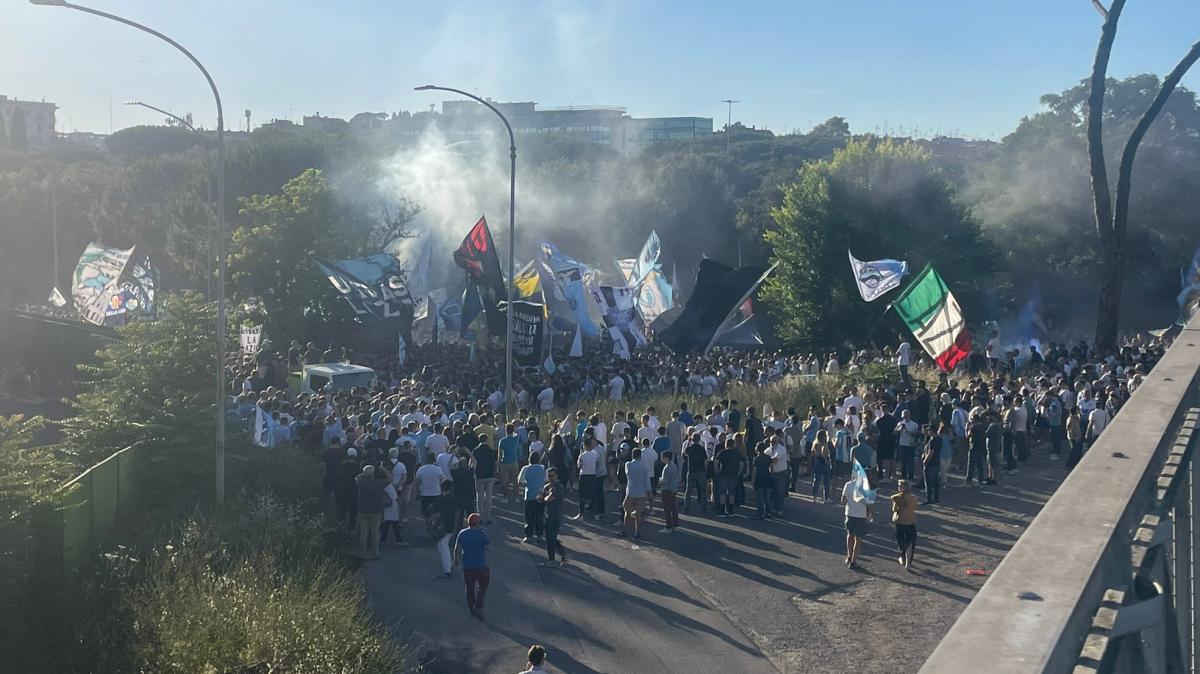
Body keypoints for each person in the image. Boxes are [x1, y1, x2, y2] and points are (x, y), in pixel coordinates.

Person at [454, 513, 491, 620]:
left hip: (468, 566)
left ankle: (471, 608)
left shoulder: (462, 533)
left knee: (469, 588)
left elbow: (457, 548)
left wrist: (456, 559)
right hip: (480, 566)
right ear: (478, 523)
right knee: (483, 586)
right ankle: (479, 606)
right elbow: (489, 548)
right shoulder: (482, 533)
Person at [355, 464, 389, 560]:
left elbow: (356, 478)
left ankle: (362, 554)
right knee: (375, 533)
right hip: (376, 511)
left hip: (363, 510)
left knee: (363, 533)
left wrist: (364, 473)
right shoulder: (379, 483)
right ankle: (375, 553)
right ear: (373, 474)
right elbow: (390, 480)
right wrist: (384, 470)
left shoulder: (361, 483)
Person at [842, 472, 872, 569]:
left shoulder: (848, 484)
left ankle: (849, 556)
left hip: (850, 514)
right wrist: (870, 514)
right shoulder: (866, 488)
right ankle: (854, 561)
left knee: (850, 535)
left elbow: (843, 500)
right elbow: (869, 503)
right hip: (861, 516)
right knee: (858, 539)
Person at [538, 468, 568, 566]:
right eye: (549, 476)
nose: (550, 478)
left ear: (556, 476)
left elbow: (549, 498)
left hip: (556, 516)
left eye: (552, 475)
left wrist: (545, 497)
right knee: (550, 538)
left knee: (551, 538)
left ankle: (552, 559)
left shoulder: (558, 487)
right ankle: (562, 556)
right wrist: (543, 497)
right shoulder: (547, 486)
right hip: (547, 515)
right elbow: (539, 498)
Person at [621, 447, 651, 538]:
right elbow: (647, 482)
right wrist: (649, 493)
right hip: (641, 493)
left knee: (627, 512)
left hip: (630, 492)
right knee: (639, 514)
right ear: (640, 456)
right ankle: (637, 532)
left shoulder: (628, 465)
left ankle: (625, 530)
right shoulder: (644, 467)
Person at [518, 452, 547, 543]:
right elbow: (546, 481)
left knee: (529, 517)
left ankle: (529, 535)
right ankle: (540, 535)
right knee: (539, 516)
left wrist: (526, 485)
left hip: (529, 495)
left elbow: (520, 482)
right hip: (540, 495)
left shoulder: (526, 468)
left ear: (529, 459)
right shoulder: (543, 468)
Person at [891, 479, 918, 572]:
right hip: (910, 521)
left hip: (900, 522)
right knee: (910, 543)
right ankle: (908, 564)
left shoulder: (897, 498)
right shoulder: (913, 497)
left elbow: (894, 509)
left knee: (901, 542)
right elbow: (914, 508)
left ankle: (902, 557)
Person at [415, 453, 444, 536]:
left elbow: (417, 482)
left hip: (424, 493)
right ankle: (434, 528)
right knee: (435, 513)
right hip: (436, 493)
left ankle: (428, 529)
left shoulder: (421, 469)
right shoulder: (438, 469)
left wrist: (418, 492)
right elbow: (442, 481)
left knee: (426, 513)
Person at [435, 479, 459, 578]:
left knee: (443, 547)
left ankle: (447, 569)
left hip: (443, 526)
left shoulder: (441, 500)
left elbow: (437, 513)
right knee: (446, 546)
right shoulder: (454, 499)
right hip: (452, 525)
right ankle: (451, 564)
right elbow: (457, 513)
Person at [683, 432, 710, 514]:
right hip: (700, 471)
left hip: (691, 471)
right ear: (699, 439)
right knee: (702, 490)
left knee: (688, 491)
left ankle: (686, 507)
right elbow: (705, 461)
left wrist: (688, 441)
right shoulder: (702, 449)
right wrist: (705, 470)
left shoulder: (689, 449)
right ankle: (704, 507)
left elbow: (683, 455)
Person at [715, 438, 742, 517]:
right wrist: (738, 473)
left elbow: (716, 461)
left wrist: (717, 471)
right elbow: (741, 464)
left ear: (726, 444)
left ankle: (722, 511)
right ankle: (731, 510)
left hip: (723, 474)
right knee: (732, 493)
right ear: (733, 445)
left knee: (722, 492)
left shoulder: (722, 452)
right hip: (733, 474)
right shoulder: (736, 453)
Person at [473, 436, 498, 524]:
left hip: (479, 475)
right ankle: (488, 516)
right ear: (487, 440)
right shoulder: (492, 451)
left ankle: (481, 516)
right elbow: (495, 463)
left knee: (479, 496)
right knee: (488, 496)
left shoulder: (475, 451)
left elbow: (473, 463)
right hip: (489, 475)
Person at [659, 449, 681, 532]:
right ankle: (675, 524)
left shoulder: (666, 468)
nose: (661, 458)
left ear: (667, 458)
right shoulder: (674, 465)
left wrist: (659, 481)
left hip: (666, 490)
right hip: (674, 489)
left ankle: (668, 527)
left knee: (667, 509)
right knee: (673, 508)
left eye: (662, 457)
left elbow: (665, 482)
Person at [497, 424, 521, 499]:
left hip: (505, 462)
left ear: (505, 430)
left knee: (505, 481)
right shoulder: (516, 439)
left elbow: (500, 454)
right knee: (515, 481)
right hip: (514, 462)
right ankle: (516, 496)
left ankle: (505, 497)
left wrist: (499, 465)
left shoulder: (502, 441)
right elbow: (518, 433)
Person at [751, 442, 774, 520]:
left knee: (759, 497)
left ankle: (760, 514)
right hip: (767, 478)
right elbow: (772, 467)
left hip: (759, 478)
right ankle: (768, 512)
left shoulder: (756, 459)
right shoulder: (768, 457)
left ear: (757, 449)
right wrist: (770, 474)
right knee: (767, 496)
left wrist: (753, 480)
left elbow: (754, 470)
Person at [811, 429, 833, 502]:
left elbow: (813, 454)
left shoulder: (815, 443)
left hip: (817, 463)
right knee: (826, 481)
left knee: (817, 480)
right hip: (824, 463)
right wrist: (826, 460)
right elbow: (823, 452)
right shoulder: (824, 444)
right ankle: (826, 497)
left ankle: (814, 496)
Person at [922, 435, 942, 505]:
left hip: (930, 463)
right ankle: (936, 498)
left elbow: (931, 452)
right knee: (936, 481)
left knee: (928, 482)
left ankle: (929, 498)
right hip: (936, 462)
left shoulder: (932, 440)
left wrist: (925, 461)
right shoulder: (939, 439)